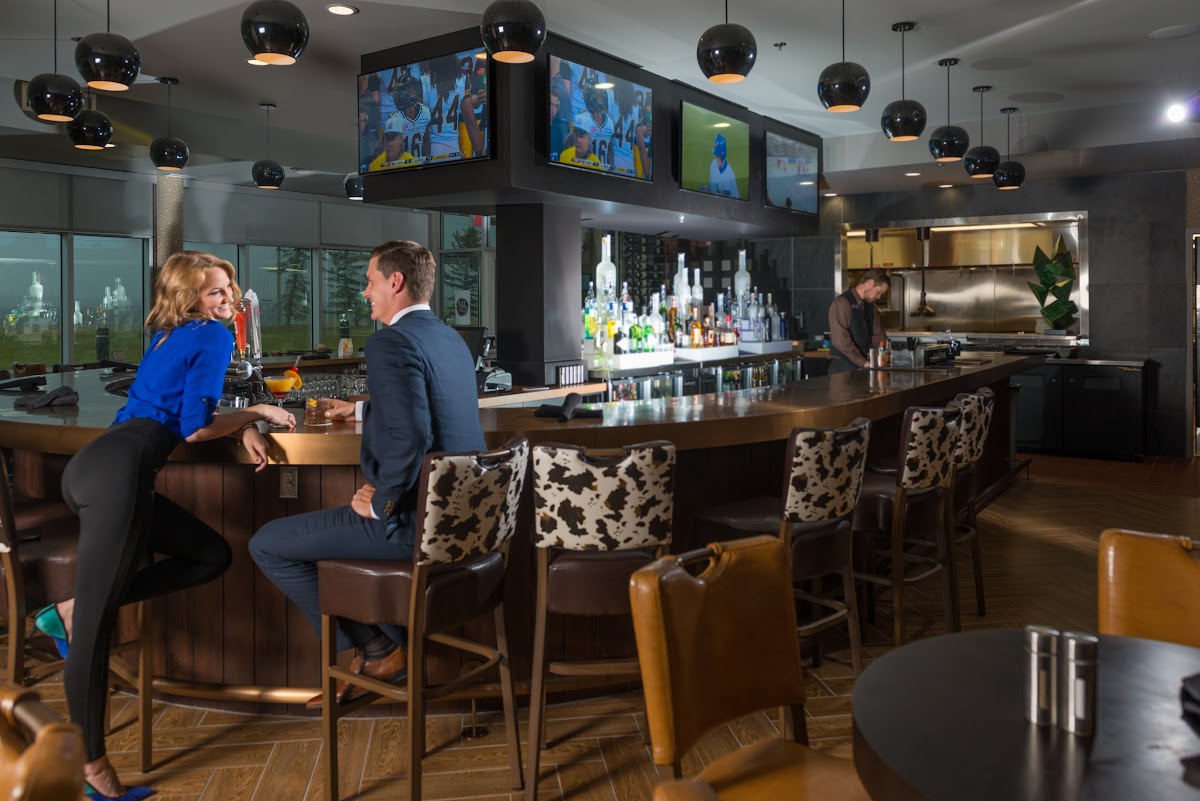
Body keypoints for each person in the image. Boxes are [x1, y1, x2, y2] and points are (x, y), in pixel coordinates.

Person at [35, 251, 295, 799]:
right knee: (94, 632)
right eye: (215, 292)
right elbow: (195, 428)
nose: (228, 299)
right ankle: (92, 768)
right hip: (118, 477)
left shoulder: (168, 335)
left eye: (229, 289)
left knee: (210, 555)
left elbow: (177, 413)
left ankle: (71, 609)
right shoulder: (213, 336)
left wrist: (238, 428)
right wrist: (257, 414)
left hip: (98, 466)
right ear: (189, 298)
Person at [249, 240, 484, 708]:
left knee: (268, 544)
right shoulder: (449, 337)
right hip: (464, 525)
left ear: (395, 282)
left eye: (370, 281)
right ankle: (384, 649)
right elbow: (434, 409)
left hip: (413, 526)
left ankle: (380, 651)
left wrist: (382, 502)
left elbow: (413, 435)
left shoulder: (388, 342)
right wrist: (360, 411)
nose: (365, 292)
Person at [827, 268, 890, 374]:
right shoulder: (842, 303)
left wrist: (881, 357)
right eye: (879, 292)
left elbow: (878, 335)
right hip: (842, 369)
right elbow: (841, 341)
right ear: (870, 282)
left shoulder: (871, 307)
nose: (879, 297)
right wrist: (863, 362)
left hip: (863, 367)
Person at [705, 133, 739, 198]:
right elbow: (713, 190)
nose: (717, 158)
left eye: (718, 155)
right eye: (717, 155)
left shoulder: (730, 175)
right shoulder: (713, 164)